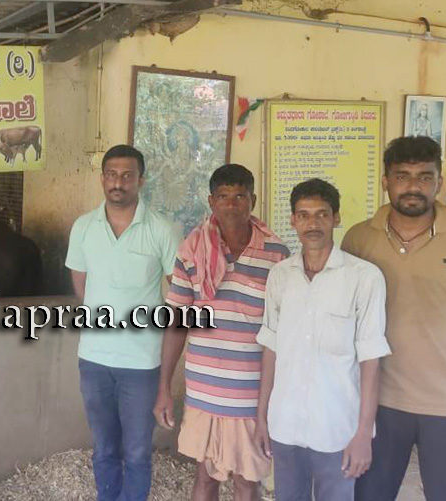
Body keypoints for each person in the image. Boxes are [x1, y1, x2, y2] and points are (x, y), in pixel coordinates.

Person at [342, 136, 446, 501]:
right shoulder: (360, 238)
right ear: (386, 181)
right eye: (402, 176)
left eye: (425, 177)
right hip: (377, 401)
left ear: (439, 182)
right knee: (366, 496)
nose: (413, 186)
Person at [155, 164, 290, 501]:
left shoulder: (277, 254)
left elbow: (282, 331)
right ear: (211, 201)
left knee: (248, 483)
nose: (231, 204)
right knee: (205, 479)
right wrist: (164, 388)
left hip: (251, 396)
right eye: (224, 196)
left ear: (253, 201)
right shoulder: (191, 250)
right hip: (204, 392)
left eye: (240, 196)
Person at [254, 178, 390, 501]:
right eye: (303, 215)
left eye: (321, 215)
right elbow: (271, 349)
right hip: (285, 425)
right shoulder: (280, 275)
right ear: (293, 221)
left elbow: (371, 361)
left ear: (336, 218)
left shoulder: (364, 278)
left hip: (337, 430)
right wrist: (262, 418)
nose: (312, 224)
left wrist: (364, 434)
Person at [65, 144, 180, 501]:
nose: (118, 182)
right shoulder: (84, 227)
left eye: (127, 175)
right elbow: (82, 286)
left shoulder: (161, 229)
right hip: (94, 358)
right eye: (112, 175)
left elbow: (178, 294)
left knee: (137, 452)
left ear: (141, 180)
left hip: (142, 362)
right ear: (102, 178)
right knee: (103, 448)